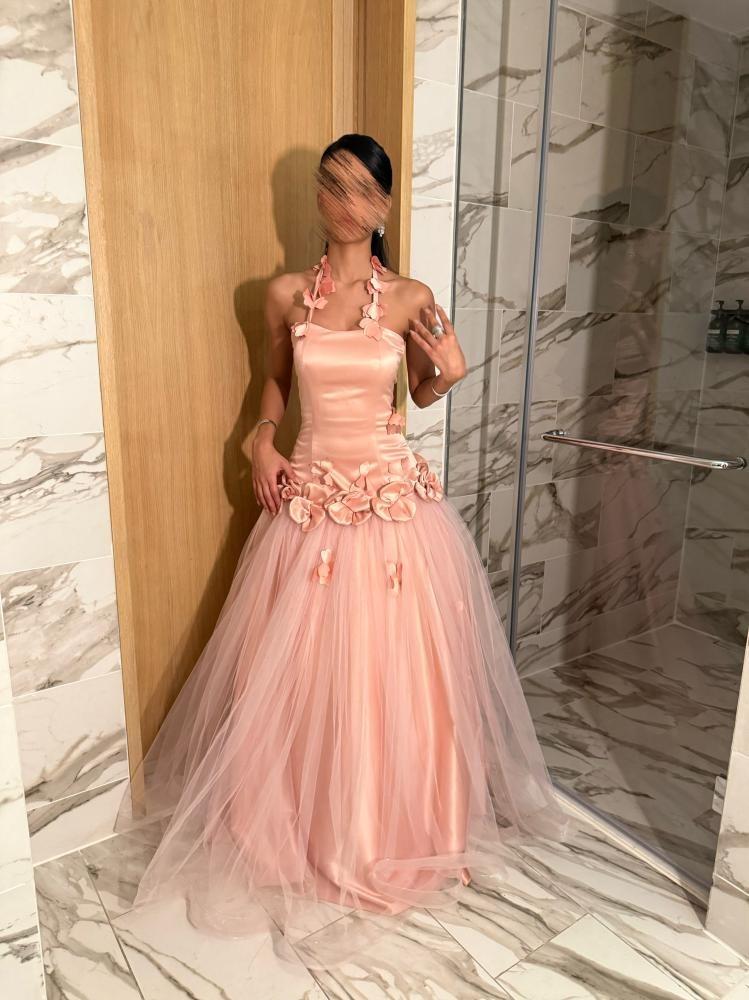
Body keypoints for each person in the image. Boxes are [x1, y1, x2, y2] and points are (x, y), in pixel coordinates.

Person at [114, 133, 567, 970]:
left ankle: (396, 829)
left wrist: (448, 372)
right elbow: (274, 381)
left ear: (384, 204)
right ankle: (303, 829)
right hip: (310, 502)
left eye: (362, 189)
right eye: (333, 185)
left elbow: (420, 393)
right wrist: (260, 438)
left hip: (393, 509)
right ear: (316, 197)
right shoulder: (285, 294)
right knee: (307, 671)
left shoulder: (410, 296)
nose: (346, 203)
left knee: (394, 674)